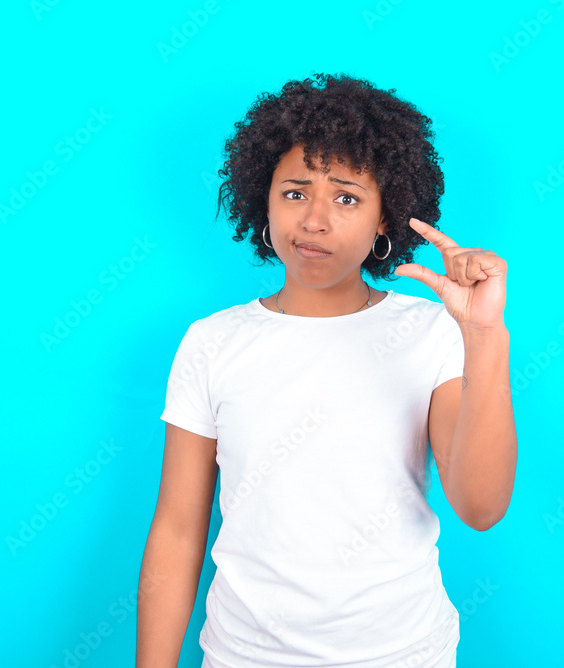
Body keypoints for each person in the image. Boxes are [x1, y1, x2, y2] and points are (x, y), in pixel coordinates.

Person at [136, 72, 517, 668]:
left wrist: (485, 338)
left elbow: (480, 505)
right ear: (262, 200)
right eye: (294, 192)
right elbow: (179, 531)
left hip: (403, 654)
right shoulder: (212, 343)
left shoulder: (429, 331)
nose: (314, 220)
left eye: (346, 197)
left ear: (385, 219)